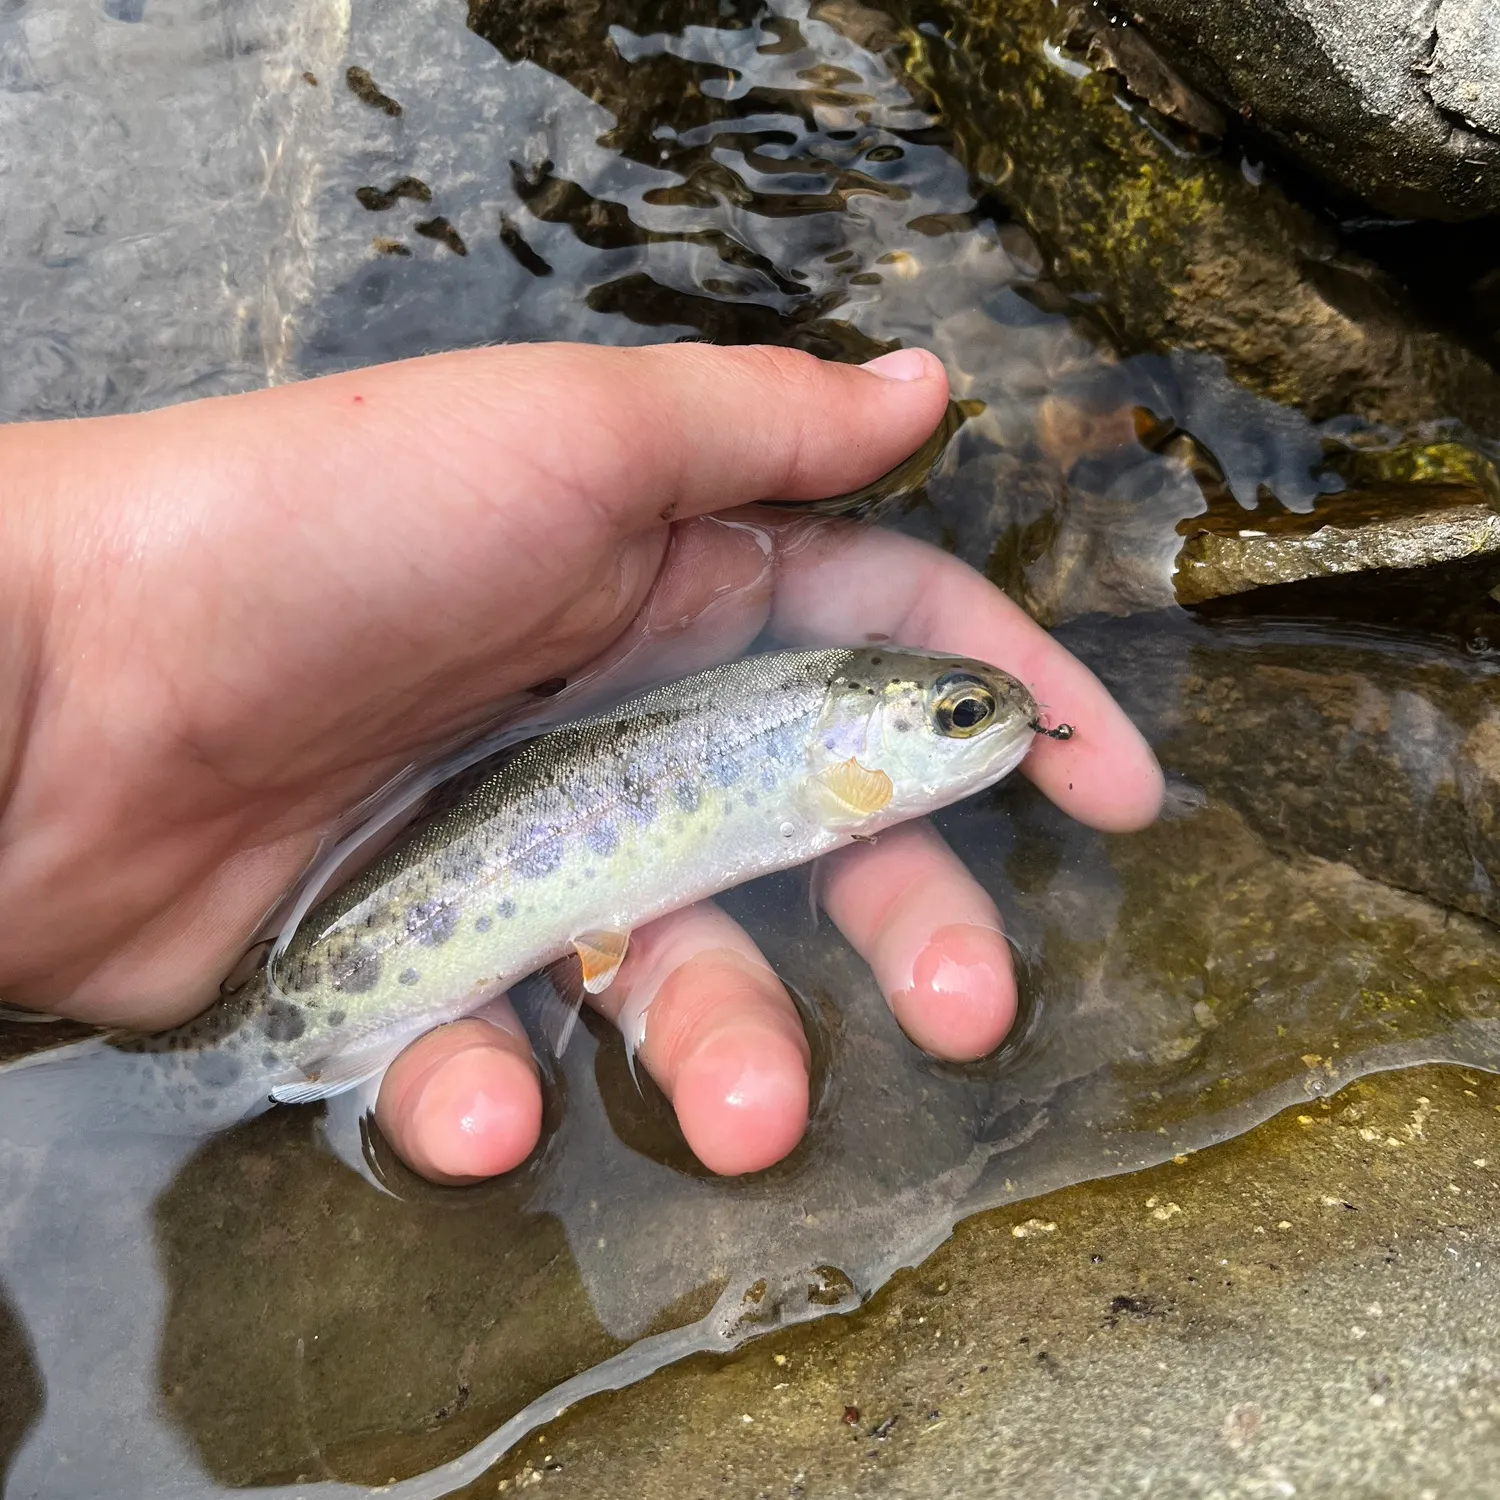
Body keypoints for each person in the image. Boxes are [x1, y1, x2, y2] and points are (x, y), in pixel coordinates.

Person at [0, 341, 1163, 1184]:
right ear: (854, 743)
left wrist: (59, 649)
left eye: (965, 714)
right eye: (961, 714)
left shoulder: (823, 741)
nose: (989, 722)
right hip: (284, 987)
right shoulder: (811, 732)